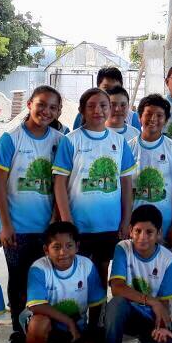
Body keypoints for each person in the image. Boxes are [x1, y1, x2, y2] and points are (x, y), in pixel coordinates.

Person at [0, 85, 65, 343]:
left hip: (48, 229)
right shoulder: (10, 139)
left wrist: (57, 218)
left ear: (58, 111)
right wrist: (6, 225)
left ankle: (48, 332)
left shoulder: (61, 139)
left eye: (53, 107)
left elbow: (62, 183)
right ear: (30, 104)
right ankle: (20, 333)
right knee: (19, 281)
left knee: (49, 282)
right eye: (41, 104)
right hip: (18, 228)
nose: (46, 111)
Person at [53, 87, 136, 284]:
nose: (97, 110)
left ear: (109, 109)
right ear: (82, 110)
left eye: (103, 105)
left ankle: (98, 315)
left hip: (110, 224)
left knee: (101, 271)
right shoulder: (70, 140)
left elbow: (126, 184)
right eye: (91, 106)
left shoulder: (120, 142)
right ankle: (78, 315)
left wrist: (126, 221)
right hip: (78, 224)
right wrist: (67, 221)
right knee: (76, 275)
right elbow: (59, 184)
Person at [101, 205, 172, 343]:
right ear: (130, 231)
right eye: (137, 231)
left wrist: (162, 326)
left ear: (159, 233)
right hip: (127, 313)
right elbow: (117, 287)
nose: (142, 237)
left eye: (149, 232)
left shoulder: (168, 260)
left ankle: (147, 338)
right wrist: (151, 301)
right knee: (116, 303)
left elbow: (164, 304)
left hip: (150, 318)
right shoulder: (123, 248)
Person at [22, 221, 105, 343]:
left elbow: (97, 303)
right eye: (56, 247)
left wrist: (89, 333)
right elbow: (37, 306)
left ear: (77, 247)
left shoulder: (86, 266)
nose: (63, 252)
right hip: (50, 326)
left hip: (74, 331)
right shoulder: (39, 268)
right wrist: (69, 322)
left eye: (69, 246)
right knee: (38, 323)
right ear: (46, 250)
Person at [129, 94, 172, 248]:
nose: (153, 119)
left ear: (166, 120)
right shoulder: (127, 148)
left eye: (159, 115)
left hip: (165, 222)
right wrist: (126, 221)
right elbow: (124, 188)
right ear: (140, 117)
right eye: (148, 114)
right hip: (135, 223)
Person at [71, 66, 141, 132]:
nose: (111, 94)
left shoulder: (132, 118)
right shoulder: (83, 115)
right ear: (98, 88)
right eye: (106, 89)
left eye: (116, 89)